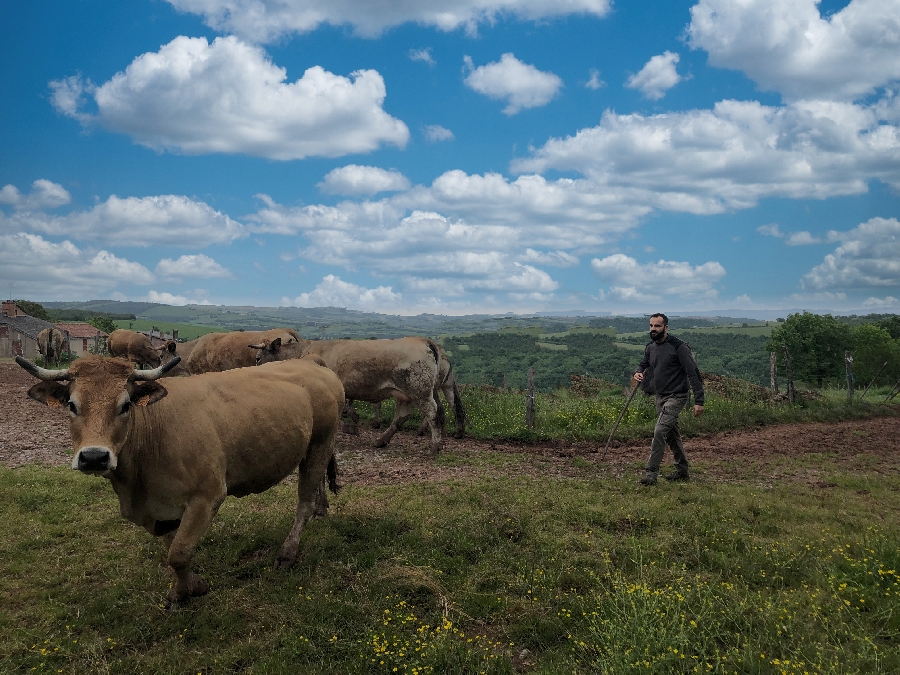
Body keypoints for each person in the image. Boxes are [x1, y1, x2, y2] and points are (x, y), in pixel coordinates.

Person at [633, 313, 704, 486]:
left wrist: (699, 400)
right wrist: (638, 371)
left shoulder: (679, 347)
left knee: (659, 431)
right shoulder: (651, 347)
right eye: (651, 326)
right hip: (660, 396)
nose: (653, 329)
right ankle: (682, 470)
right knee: (672, 434)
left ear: (666, 327)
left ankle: (651, 473)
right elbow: (644, 363)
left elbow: (693, 373)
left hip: (677, 396)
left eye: (657, 326)